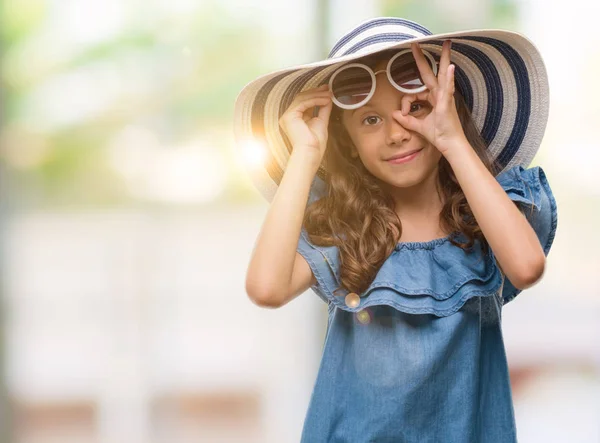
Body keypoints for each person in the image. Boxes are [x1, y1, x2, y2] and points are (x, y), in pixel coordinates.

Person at [235, 17, 558, 442]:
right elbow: (266, 288)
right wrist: (306, 153)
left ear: (448, 110)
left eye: (416, 108)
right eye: (370, 120)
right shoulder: (349, 231)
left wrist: (452, 140)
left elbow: (527, 266)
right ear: (347, 141)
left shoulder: (483, 217)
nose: (395, 134)